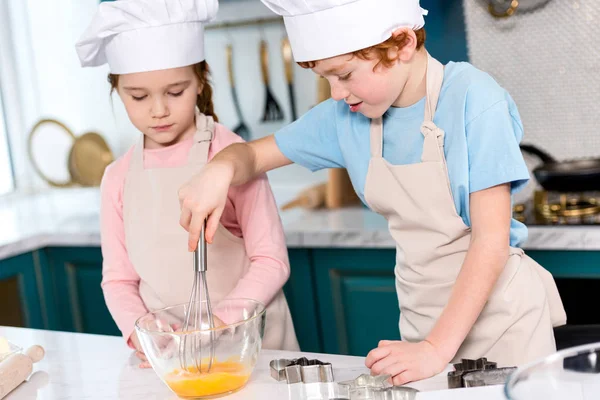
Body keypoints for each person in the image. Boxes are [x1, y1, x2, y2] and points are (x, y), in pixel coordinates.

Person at [177, 0, 566, 384]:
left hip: (502, 323)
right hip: (423, 322)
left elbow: (491, 241)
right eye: (325, 78)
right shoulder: (347, 116)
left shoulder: (474, 98)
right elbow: (251, 154)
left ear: (402, 44)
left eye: (344, 74)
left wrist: (435, 348)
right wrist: (220, 168)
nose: (335, 93)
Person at [75, 0, 299, 369]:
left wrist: (220, 320)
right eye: (139, 96)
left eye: (175, 92)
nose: (158, 109)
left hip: (254, 347)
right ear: (117, 91)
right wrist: (141, 333)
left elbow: (271, 259)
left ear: (199, 82)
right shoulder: (117, 177)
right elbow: (117, 280)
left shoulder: (231, 156)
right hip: (171, 360)